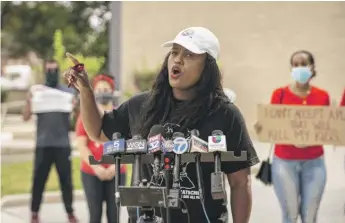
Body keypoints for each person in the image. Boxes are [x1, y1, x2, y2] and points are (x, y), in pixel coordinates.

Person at [64, 27, 260, 223]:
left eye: (189, 55)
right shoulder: (141, 105)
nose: (178, 59)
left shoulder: (225, 114)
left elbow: (240, 183)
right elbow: (98, 131)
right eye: (174, 52)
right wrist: (86, 90)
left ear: (208, 66)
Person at [255, 50, 329, 223]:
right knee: (290, 214)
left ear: (312, 67)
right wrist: (262, 128)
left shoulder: (322, 96)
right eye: (295, 65)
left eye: (304, 64)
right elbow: (271, 125)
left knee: (310, 216)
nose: (300, 68)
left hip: (314, 162)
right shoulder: (279, 95)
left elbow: (327, 127)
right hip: (284, 162)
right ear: (291, 68)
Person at [23, 59, 78, 223]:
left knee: (66, 181)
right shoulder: (38, 92)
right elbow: (25, 117)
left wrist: (76, 105)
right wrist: (29, 100)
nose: (52, 73)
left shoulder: (67, 93)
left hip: (62, 145)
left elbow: (77, 119)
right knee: (38, 180)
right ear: (44, 72)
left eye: (54, 70)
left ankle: (70, 213)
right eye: (49, 70)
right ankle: (34, 213)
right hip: (43, 144)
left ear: (58, 71)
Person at [75, 73, 126, 223]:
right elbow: (82, 145)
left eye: (106, 89)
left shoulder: (121, 115)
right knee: (94, 214)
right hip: (91, 173)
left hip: (116, 172)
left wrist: (114, 167)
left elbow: (128, 144)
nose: (103, 93)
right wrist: (97, 168)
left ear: (112, 91)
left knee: (114, 215)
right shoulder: (86, 116)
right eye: (99, 90)